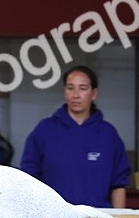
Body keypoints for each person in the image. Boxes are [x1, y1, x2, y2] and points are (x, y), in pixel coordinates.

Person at [19, 66, 131, 208]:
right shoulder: (44, 130)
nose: (76, 95)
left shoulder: (108, 134)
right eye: (70, 88)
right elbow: (29, 181)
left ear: (94, 93)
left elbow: (119, 184)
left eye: (83, 88)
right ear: (65, 92)